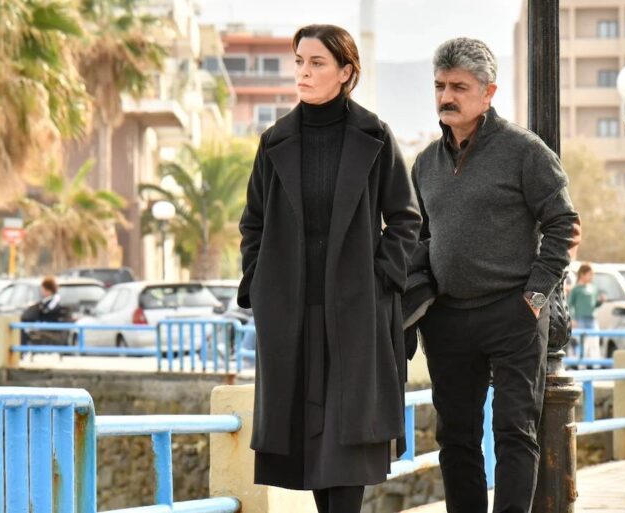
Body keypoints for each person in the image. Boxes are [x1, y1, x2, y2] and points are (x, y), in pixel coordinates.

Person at [236, 24, 422, 513]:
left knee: (348, 441)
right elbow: (253, 223)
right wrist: (259, 283)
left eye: (317, 62)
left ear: (345, 72)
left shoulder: (375, 135)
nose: (303, 71)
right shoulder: (274, 141)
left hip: (356, 313)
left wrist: (380, 280)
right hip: (291, 314)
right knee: (307, 440)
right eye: (299, 61)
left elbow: (406, 219)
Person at [412, 38, 578, 513]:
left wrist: (536, 294)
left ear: (488, 93)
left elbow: (564, 224)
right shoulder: (425, 163)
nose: (447, 96)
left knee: (514, 432)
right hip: (447, 319)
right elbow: (419, 236)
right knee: (455, 438)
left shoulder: (525, 151)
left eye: (459, 87)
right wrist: (420, 299)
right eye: (440, 86)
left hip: (513, 314)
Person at [567, 263, 605, 363]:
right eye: (589, 274)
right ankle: (580, 365)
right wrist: (573, 319)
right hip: (580, 319)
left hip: (592, 319)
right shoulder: (576, 289)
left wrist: (600, 301)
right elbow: (570, 305)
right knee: (582, 343)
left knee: (594, 343)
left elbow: (594, 304)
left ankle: (595, 364)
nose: (592, 277)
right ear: (582, 274)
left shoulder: (593, 288)